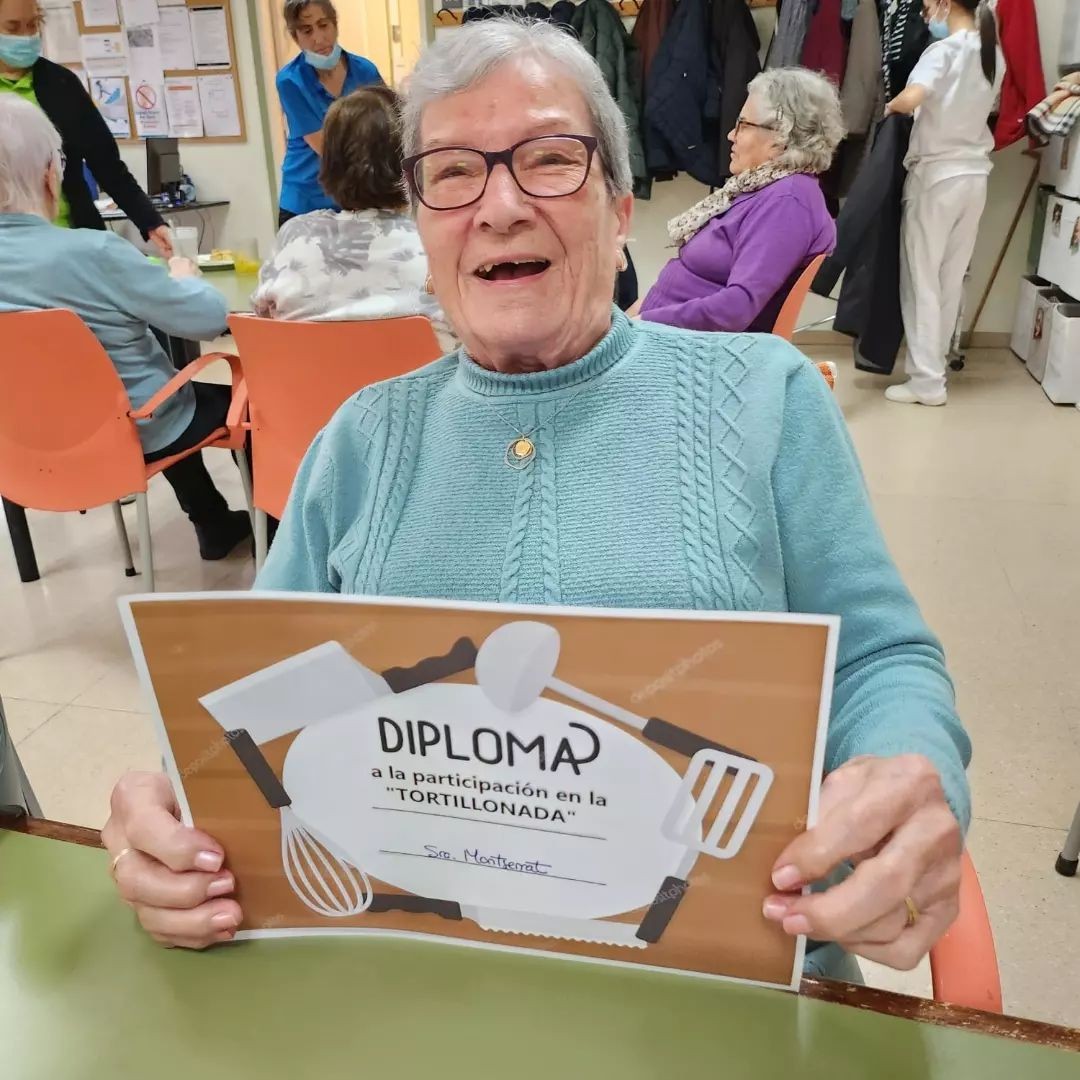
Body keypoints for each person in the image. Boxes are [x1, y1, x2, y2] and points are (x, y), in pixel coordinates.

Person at [103, 19, 969, 980]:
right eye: (452, 173)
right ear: (422, 227)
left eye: (551, 160)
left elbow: (881, 659)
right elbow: (254, 698)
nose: (501, 206)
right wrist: (178, 821)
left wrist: (907, 774)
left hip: (721, 993)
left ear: (619, 209)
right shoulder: (360, 439)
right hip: (414, 988)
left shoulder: (765, 398)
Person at [0, 97, 250, 559]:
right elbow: (208, 318)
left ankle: (212, 520)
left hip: (20, 442)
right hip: (129, 431)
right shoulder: (93, 253)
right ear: (50, 175)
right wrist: (184, 277)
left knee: (155, 392)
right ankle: (274, 534)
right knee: (221, 401)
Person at [637, 68, 843, 334]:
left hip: (693, 346)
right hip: (665, 333)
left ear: (780, 137)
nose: (731, 135)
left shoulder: (788, 201)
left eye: (743, 125)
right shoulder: (762, 188)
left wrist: (641, 324)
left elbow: (736, 309)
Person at [253, 85, 455, 351]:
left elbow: (263, 316)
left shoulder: (294, 237)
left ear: (329, 163)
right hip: (419, 377)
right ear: (412, 163)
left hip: (311, 377)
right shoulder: (435, 243)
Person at [883, 0, 1003, 406]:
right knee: (950, 280)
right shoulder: (993, 54)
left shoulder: (943, 51)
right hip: (974, 176)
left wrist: (892, 105)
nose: (925, 13)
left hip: (935, 178)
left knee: (922, 280)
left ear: (946, 4)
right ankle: (934, 373)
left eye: (928, 5)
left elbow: (912, 97)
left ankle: (926, 382)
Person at [0, 0, 171, 255]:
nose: (26, 37)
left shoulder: (61, 83)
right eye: (13, 28)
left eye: (33, 25)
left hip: (71, 238)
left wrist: (151, 221)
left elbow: (107, 164)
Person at [275, 0, 382, 228]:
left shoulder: (365, 71)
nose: (318, 38)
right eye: (307, 31)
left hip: (358, 200)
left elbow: (386, 126)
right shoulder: (290, 81)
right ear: (296, 37)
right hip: (305, 202)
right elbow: (325, 146)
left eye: (323, 25)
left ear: (335, 24)